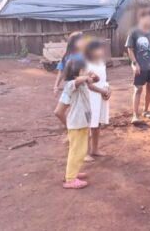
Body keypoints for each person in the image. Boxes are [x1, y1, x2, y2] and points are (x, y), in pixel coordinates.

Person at [52, 59, 98, 189]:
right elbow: (77, 81)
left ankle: (73, 172)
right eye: (83, 70)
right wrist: (85, 77)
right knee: (76, 151)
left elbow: (95, 79)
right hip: (77, 124)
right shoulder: (72, 84)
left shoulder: (82, 84)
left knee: (81, 150)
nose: (86, 72)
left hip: (81, 123)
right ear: (76, 73)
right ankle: (70, 179)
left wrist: (91, 75)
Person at [126, 6, 150, 125]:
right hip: (139, 66)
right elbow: (130, 50)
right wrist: (135, 64)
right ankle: (135, 115)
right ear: (141, 19)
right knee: (138, 89)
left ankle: (146, 110)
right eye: (147, 18)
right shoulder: (134, 32)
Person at [83, 39, 111, 162]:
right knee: (88, 124)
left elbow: (104, 80)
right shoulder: (86, 65)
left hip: (101, 97)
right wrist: (102, 92)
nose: (102, 51)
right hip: (91, 97)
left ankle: (95, 148)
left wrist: (109, 89)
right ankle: (84, 152)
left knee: (97, 124)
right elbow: (88, 85)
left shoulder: (101, 63)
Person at [52, 32, 86, 96]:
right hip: (69, 86)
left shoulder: (84, 56)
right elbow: (61, 72)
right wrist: (56, 86)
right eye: (82, 40)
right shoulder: (67, 57)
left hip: (81, 87)